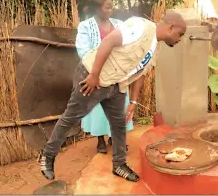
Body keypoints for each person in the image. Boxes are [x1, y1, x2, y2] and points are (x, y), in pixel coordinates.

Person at [40, 12, 187, 182]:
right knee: (71, 118)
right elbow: (109, 41)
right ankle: (48, 156)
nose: (180, 39)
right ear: (170, 27)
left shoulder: (156, 48)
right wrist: (94, 75)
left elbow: (141, 75)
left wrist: (133, 102)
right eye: (180, 34)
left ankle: (119, 165)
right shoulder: (140, 26)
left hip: (116, 86)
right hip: (92, 79)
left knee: (118, 126)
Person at [77, 0, 133, 154]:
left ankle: (114, 137)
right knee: (99, 108)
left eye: (111, 7)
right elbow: (83, 50)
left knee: (118, 106)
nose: (110, 10)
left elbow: (128, 45)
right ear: (97, 8)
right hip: (96, 73)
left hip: (118, 72)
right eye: (107, 7)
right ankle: (100, 138)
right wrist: (97, 69)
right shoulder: (86, 26)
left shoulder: (119, 24)